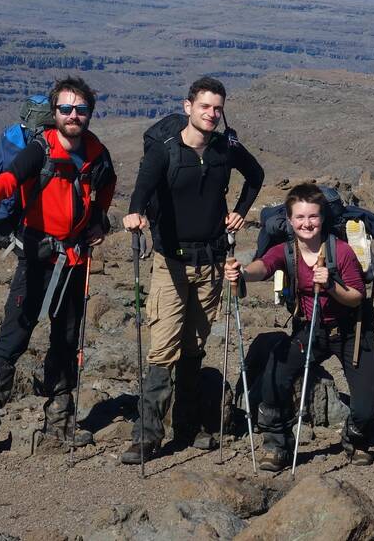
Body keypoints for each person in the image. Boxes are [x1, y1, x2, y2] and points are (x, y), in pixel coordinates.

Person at [0, 76, 116, 460]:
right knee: (14, 337)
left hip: (74, 260)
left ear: (89, 112)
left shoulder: (98, 155)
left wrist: (100, 224)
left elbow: (103, 196)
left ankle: (57, 428)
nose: (73, 115)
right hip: (37, 256)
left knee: (66, 340)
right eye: (66, 109)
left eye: (80, 109)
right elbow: (7, 181)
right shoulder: (40, 150)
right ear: (55, 112)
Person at [120, 76, 264, 464]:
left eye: (217, 108)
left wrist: (241, 212)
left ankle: (188, 425)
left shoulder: (225, 148)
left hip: (212, 261)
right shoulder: (165, 150)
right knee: (164, 346)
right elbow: (142, 189)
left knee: (194, 346)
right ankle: (147, 435)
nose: (212, 114)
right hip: (172, 263)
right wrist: (135, 214)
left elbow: (257, 175)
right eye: (205, 107)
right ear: (188, 107)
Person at [226, 183, 374, 471]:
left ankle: (355, 439)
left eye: (312, 216)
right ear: (290, 219)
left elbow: (356, 296)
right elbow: (264, 266)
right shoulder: (287, 251)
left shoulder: (342, 251)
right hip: (310, 329)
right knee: (273, 380)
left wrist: (331, 285)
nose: (306, 223)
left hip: (351, 332)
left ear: (322, 218)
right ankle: (277, 445)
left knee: (366, 407)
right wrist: (243, 272)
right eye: (300, 217)